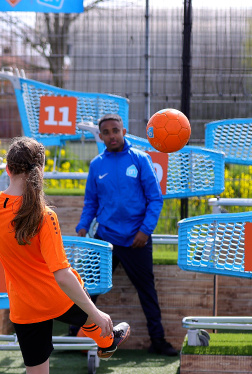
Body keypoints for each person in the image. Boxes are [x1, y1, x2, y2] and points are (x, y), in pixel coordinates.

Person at [0, 137, 130, 374]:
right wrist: (96, 313)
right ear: (40, 170)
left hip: (25, 308)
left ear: (7, 169)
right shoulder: (45, 216)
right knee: (80, 296)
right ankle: (107, 342)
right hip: (58, 297)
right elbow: (62, 276)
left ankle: (106, 341)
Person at [75, 114, 178, 357]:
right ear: (100, 137)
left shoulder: (140, 159)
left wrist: (145, 231)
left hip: (136, 240)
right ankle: (75, 338)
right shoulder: (97, 165)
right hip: (105, 238)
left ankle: (158, 341)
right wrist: (82, 225)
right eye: (107, 132)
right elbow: (91, 201)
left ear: (124, 131)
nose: (112, 135)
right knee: (88, 289)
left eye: (116, 130)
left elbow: (155, 199)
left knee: (147, 292)